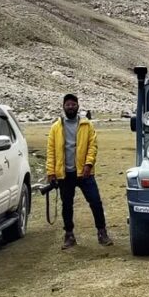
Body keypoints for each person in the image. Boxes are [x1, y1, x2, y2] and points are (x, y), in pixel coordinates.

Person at [45, 94, 111, 249]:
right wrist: (51, 172)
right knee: (66, 205)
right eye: (68, 105)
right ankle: (69, 235)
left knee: (95, 202)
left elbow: (92, 146)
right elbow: (51, 150)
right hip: (64, 173)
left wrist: (89, 164)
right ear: (63, 106)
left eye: (73, 104)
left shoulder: (86, 125)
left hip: (84, 172)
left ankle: (102, 232)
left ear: (78, 106)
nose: (70, 107)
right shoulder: (56, 127)